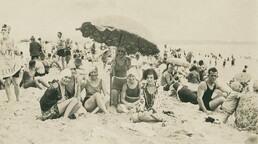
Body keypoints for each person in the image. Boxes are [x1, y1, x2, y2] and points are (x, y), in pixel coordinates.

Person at [0, 24, 21, 102]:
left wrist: (15, 50)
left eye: (5, 30)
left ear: (8, 31)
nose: (3, 31)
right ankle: (9, 100)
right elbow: (2, 51)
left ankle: (18, 99)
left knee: (16, 83)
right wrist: (2, 43)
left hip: (14, 62)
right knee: (7, 83)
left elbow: (17, 52)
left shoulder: (12, 39)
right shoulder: (0, 40)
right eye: (2, 30)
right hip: (5, 64)